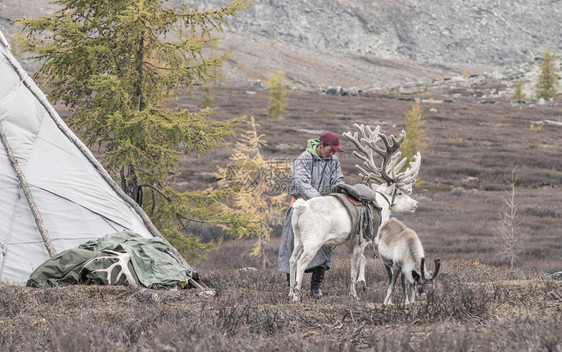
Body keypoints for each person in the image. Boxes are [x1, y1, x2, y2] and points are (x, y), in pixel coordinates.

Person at [277, 131, 345, 297]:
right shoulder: (304, 159)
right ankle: (291, 286)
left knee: (324, 247)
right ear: (321, 145)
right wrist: (318, 201)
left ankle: (316, 287)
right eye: (331, 149)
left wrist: (340, 193)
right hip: (301, 209)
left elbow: (339, 180)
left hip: (323, 212)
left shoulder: (334, 161)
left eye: (335, 151)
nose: (333, 153)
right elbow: (301, 183)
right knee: (294, 246)